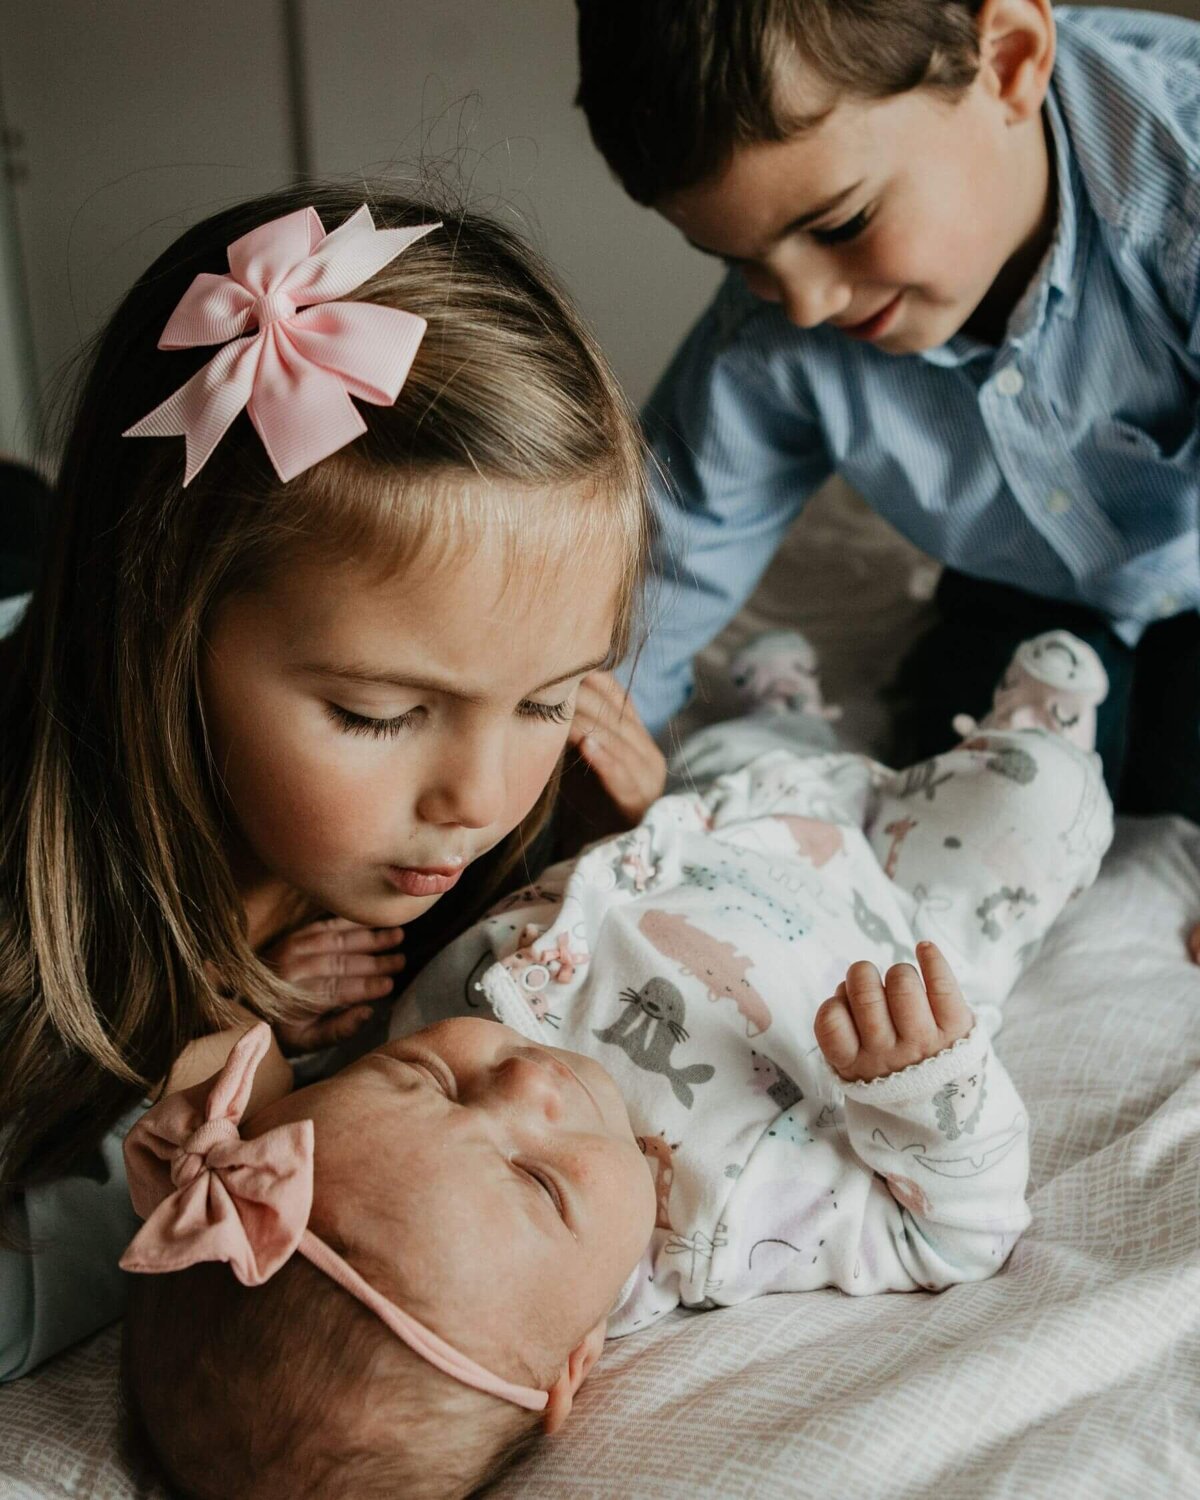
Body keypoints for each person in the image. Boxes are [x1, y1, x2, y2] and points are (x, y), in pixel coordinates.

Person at [117, 629, 1114, 1500]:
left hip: (713, 823)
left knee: (736, 749)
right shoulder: (728, 1228)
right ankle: (1024, 731)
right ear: (576, 1359)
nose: (522, 1085)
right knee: (1040, 801)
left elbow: (233, 1069)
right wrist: (928, 1087)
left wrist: (261, 1028)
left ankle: (783, 714)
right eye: (539, 1181)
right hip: (904, 912)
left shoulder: (392, 1094)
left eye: (428, 1081)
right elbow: (963, 1233)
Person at [0, 184, 662, 1381]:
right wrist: (224, 1064)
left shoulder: (495, 804)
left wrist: (613, 844)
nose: (478, 795)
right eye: (381, 713)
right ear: (163, 633)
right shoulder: (29, 916)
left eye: (549, 696)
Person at [573, 1, 1200, 831]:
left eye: (842, 224)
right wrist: (587, 754)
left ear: (1009, 61)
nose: (801, 304)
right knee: (963, 796)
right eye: (741, 262)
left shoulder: (1179, 187)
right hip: (1019, 579)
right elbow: (668, 553)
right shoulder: (765, 335)